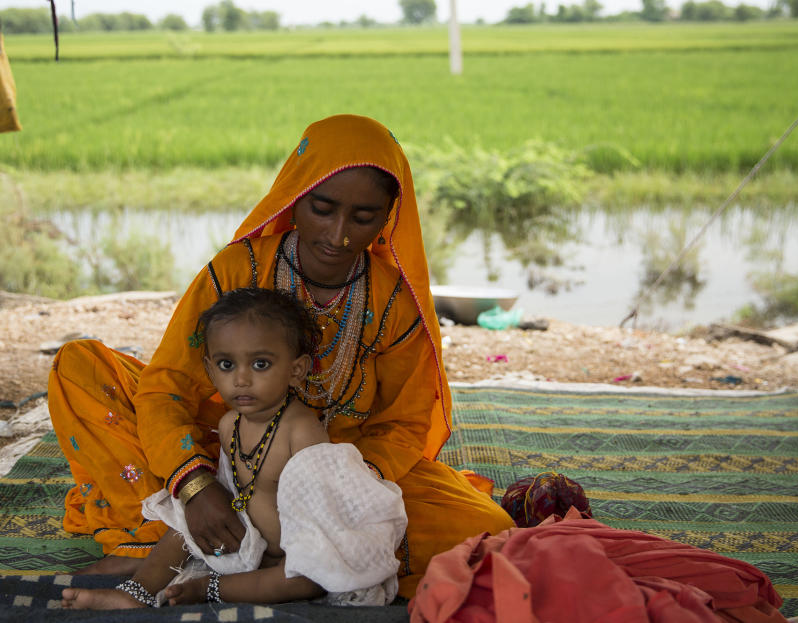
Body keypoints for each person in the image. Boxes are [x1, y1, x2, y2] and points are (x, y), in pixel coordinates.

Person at [48, 113, 515, 599]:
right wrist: (196, 485)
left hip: (339, 461)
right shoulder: (237, 268)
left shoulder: (394, 301)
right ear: (295, 197)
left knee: (487, 530)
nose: (338, 236)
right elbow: (168, 386)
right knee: (80, 367)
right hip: (226, 444)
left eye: (362, 217)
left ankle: (232, 550)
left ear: (388, 215)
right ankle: (171, 537)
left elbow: (403, 423)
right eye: (322, 208)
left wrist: (328, 495)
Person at [61, 287, 406, 608]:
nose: (241, 379)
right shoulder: (229, 424)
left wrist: (304, 554)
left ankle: (206, 588)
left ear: (297, 370)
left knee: (307, 581)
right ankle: (135, 593)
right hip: (248, 539)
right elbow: (232, 488)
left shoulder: (300, 430)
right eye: (227, 365)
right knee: (179, 526)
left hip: (297, 553)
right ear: (210, 369)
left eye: (260, 364)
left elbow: (325, 512)